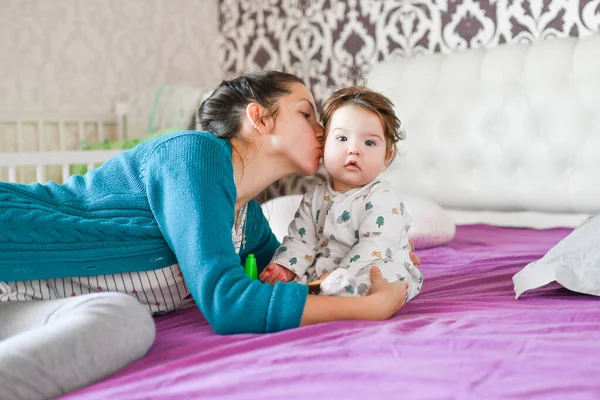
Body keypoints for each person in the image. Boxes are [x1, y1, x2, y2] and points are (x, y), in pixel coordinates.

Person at [0, 71, 414, 399]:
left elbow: (292, 285)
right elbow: (229, 303)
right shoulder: (194, 155)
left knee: (121, 321)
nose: (323, 132)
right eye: (306, 114)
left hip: (23, 301)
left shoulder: (246, 218)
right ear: (259, 118)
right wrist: (369, 309)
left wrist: (385, 258)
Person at [259, 86, 423, 300]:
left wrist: (341, 274)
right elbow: (301, 239)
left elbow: (375, 245)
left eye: (370, 142)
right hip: (324, 271)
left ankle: (347, 293)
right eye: (342, 139)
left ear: (387, 157)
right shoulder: (314, 197)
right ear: (323, 144)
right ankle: (322, 293)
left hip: (368, 265)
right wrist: (285, 267)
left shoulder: (382, 197)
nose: (354, 149)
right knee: (288, 285)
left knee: (391, 276)